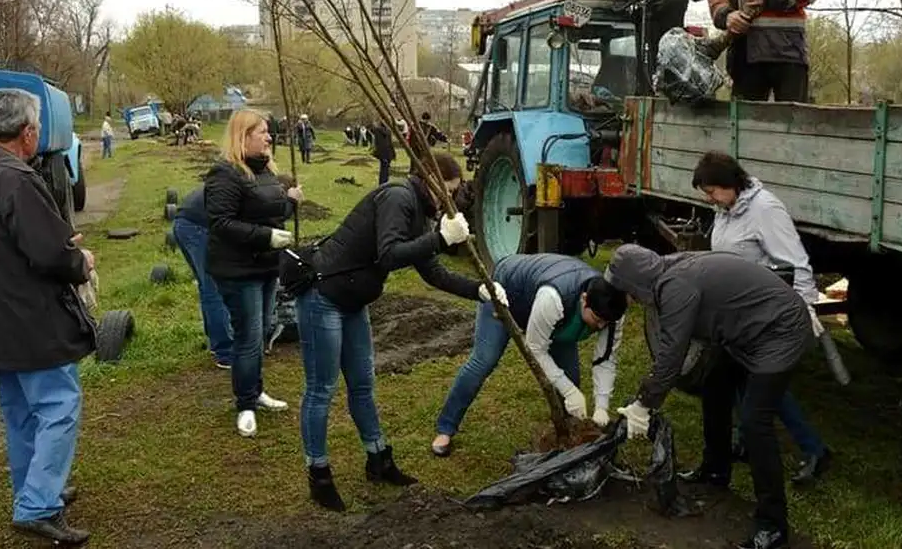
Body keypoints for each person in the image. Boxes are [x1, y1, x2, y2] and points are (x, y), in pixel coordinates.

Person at [295, 151, 506, 511]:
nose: (451, 201)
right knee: (322, 390)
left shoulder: (419, 214)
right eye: (449, 191)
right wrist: (440, 239)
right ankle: (319, 474)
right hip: (323, 297)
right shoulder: (397, 196)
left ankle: (379, 459)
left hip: (353, 303)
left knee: (362, 385)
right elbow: (390, 255)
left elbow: (433, 273)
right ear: (430, 182)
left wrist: (479, 291)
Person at [0, 88, 96, 545]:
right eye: (36, 129)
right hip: (30, 318)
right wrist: (82, 263)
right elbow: (50, 253)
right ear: (28, 132)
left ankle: (35, 487)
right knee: (58, 407)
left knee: (21, 414)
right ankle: (37, 504)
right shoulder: (16, 179)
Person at [605, 244, 813, 549]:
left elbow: (671, 356)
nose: (631, 299)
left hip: (781, 331)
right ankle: (716, 469)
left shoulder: (675, 286)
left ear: (635, 283)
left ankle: (773, 525)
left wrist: (643, 405)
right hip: (747, 332)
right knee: (716, 385)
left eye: (627, 290)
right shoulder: (671, 269)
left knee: (756, 423)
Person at [692, 150, 833, 485]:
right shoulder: (726, 210)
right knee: (738, 380)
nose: (710, 199)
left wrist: (802, 310)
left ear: (729, 183)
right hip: (736, 313)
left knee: (763, 387)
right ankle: (743, 442)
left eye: (712, 191)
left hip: (767, 316)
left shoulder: (765, 209)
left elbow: (796, 263)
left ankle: (815, 449)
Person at [431, 253, 628, 457]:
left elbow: (606, 358)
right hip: (507, 291)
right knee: (484, 360)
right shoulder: (554, 297)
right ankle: (446, 428)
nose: (601, 326)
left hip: (554, 314)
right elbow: (536, 349)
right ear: (584, 300)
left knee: (570, 378)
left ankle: (568, 435)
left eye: (606, 322)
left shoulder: (612, 310)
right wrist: (569, 391)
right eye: (597, 319)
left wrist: (602, 406)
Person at [204, 109, 305, 438]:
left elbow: (272, 213)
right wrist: (265, 237)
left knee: (260, 332)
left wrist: (291, 201)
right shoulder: (225, 174)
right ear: (242, 136)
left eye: (267, 131)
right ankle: (245, 403)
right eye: (261, 131)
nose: (269, 136)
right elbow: (222, 223)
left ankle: (256, 391)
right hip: (237, 269)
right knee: (248, 336)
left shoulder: (265, 172)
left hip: (265, 266)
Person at [173, 186, 234, 369]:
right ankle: (226, 352)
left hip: (185, 222)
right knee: (214, 288)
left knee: (207, 288)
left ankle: (216, 343)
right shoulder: (254, 191)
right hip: (198, 227)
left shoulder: (236, 179)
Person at [371, 119, 396, 185]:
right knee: (386, 169)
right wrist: (393, 154)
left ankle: (382, 183)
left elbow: (378, 143)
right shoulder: (388, 131)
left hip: (382, 153)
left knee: (383, 169)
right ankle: (385, 182)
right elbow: (390, 143)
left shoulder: (377, 131)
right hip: (388, 152)